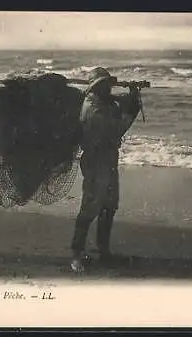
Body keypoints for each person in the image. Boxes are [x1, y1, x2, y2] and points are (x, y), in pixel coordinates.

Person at [70, 67, 142, 272]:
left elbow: (115, 106)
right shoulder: (93, 109)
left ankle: (104, 250)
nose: (109, 88)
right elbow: (116, 129)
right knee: (90, 207)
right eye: (106, 85)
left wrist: (130, 97)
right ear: (97, 87)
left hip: (108, 158)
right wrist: (132, 111)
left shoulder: (101, 102)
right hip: (96, 160)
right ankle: (77, 253)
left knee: (109, 205)